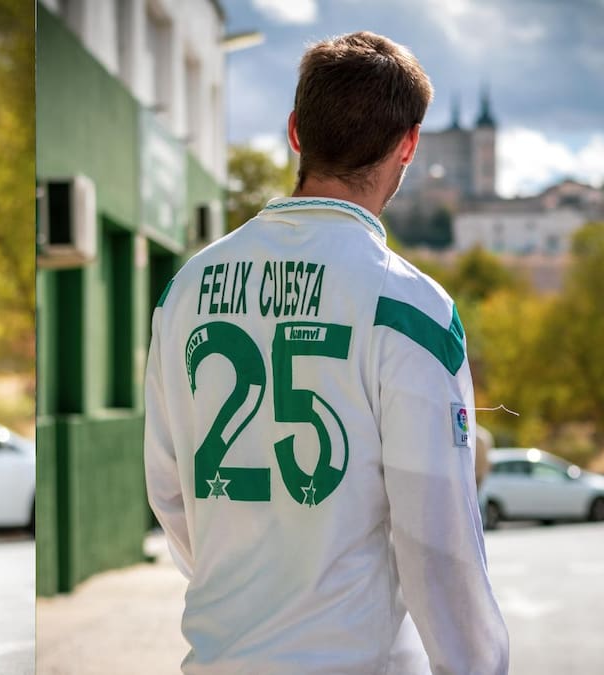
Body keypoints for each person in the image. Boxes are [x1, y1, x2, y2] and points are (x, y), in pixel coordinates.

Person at [144, 31, 509, 674]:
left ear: (294, 132)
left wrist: (252, 600)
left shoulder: (186, 291)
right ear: (409, 145)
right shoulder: (411, 309)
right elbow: (437, 542)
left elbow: (170, 491)